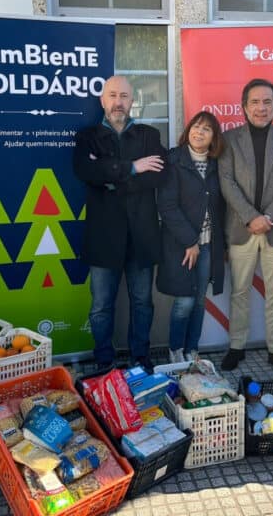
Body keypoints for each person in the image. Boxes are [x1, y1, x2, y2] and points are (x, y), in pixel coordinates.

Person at [73, 75, 167, 372]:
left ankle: (141, 358)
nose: (118, 102)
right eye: (112, 95)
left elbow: (158, 175)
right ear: (103, 100)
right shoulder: (87, 137)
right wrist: (133, 168)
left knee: (142, 303)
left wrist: (111, 179)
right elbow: (85, 170)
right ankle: (104, 362)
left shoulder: (148, 135)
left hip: (142, 236)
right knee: (101, 306)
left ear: (132, 101)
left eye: (124, 96)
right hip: (103, 237)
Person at [218, 78, 273, 377]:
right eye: (255, 102)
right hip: (241, 228)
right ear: (244, 106)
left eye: (267, 102)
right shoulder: (228, 140)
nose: (261, 107)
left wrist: (268, 218)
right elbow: (226, 182)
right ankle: (236, 346)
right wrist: (251, 217)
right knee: (239, 291)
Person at [156, 111, 225, 363]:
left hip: (208, 245)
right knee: (184, 301)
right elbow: (167, 205)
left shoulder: (218, 164)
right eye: (196, 127)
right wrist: (189, 241)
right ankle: (175, 350)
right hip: (180, 245)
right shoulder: (174, 159)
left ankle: (191, 350)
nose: (199, 132)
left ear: (213, 137)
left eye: (206, 129)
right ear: (188, 130)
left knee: (198, 301)